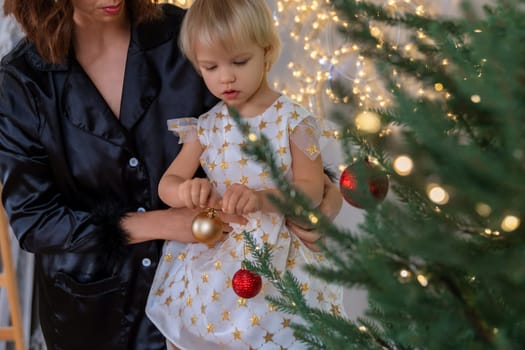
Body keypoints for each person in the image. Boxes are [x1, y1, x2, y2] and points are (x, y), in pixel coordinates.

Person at [0, 1, 342, 349]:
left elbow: (255, 132)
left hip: (221, 309)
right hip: (96, 317)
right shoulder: (22, 82)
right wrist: (166, 223)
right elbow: (35, 221)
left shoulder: (188, 32)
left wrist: (324, 193)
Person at [145, 1, 346, 349]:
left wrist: (262, 199)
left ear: (266, 52)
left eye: (239, 62)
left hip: (278, 259)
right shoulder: (206, 127)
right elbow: (168, 184)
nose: (226, 77)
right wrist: (187, 192)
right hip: (215, 253)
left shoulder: (294, 121)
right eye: (209, 67)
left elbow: (312, 190)